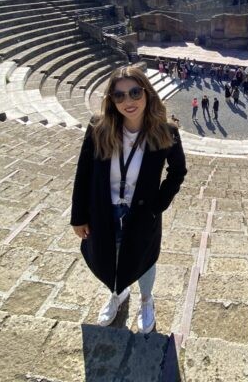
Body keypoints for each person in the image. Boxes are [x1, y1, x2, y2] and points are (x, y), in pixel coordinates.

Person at [71, 66, 187, 333]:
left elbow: (178, 171)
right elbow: (83, 172)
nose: (128, 101)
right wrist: (78, 216)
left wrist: (159, 205)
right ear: (112, 100)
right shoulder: (98, 128)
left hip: (143, 212)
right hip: (104, 211)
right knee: (108, 256)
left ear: (147, 93)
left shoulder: (166, 132)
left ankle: (146, 300)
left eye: (135, 92)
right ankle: (117, 293)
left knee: (144, 259)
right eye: (119, 95)